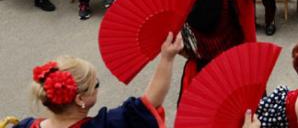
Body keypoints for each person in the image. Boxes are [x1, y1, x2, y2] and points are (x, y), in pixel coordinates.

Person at [15, 33, 183, 127]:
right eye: (96, 84)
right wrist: (167, 58)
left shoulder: (25, 126)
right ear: (80, 99)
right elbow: (149, 102)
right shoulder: (107, 125)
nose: (98, 87)